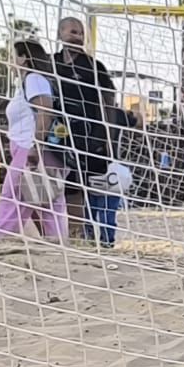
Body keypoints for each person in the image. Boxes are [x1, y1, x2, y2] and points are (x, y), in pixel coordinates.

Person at [0, 38, 66, 242]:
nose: (9, 61)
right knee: (48, 201)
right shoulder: (27, 82)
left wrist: (36, 147)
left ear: (23, 59)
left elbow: (45, 112)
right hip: (31, 148)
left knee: (13, 196)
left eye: (12, 56)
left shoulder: (33, 79)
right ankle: (58, 244)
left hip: (31, 150)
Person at [52, 14, 117, 242]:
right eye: (73, 32)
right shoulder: (51, 64)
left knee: (88, 188)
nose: (77, 37)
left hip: (90, 138)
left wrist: (107, 136)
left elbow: (109, 100)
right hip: (57, 138)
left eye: (80, 33)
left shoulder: (94, 67)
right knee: (59, 188)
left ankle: (89, 236)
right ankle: (68, 233)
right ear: (60, 34)